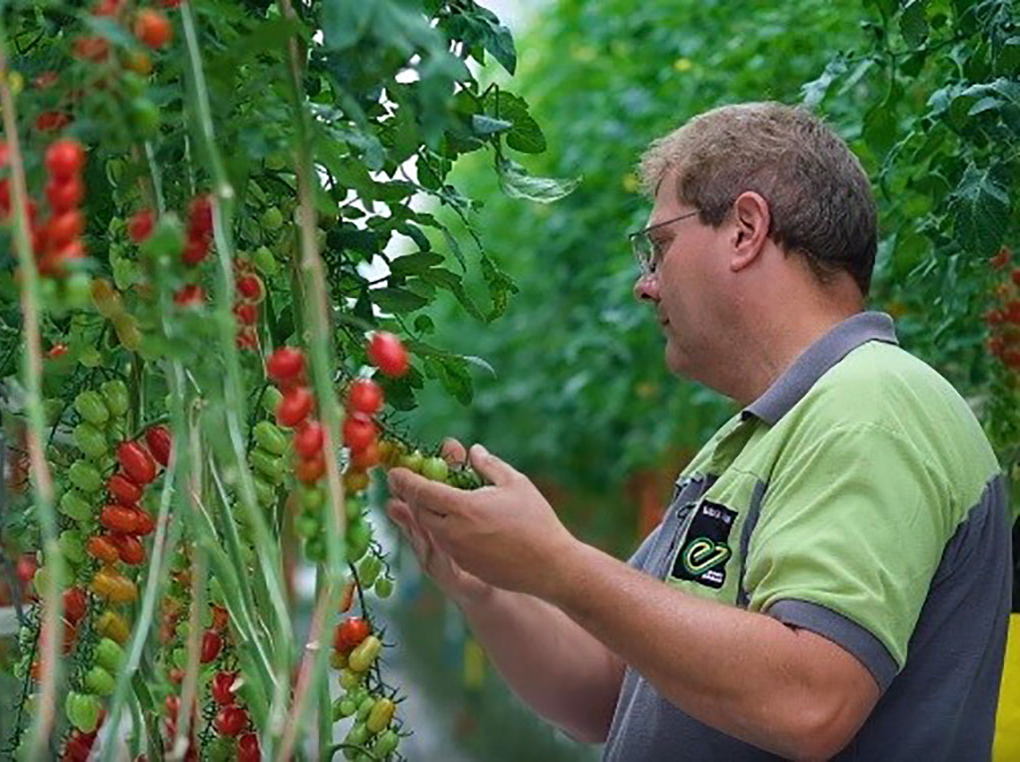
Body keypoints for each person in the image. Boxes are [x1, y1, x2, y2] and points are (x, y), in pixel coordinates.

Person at [386, 102, 1012, 761]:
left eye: (660, 246)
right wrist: (482, 581)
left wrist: (560, 564)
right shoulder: (751, 440)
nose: (645, 285)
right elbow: (605, 690)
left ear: (745, 230)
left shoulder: (874, 405)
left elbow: (810, 700)